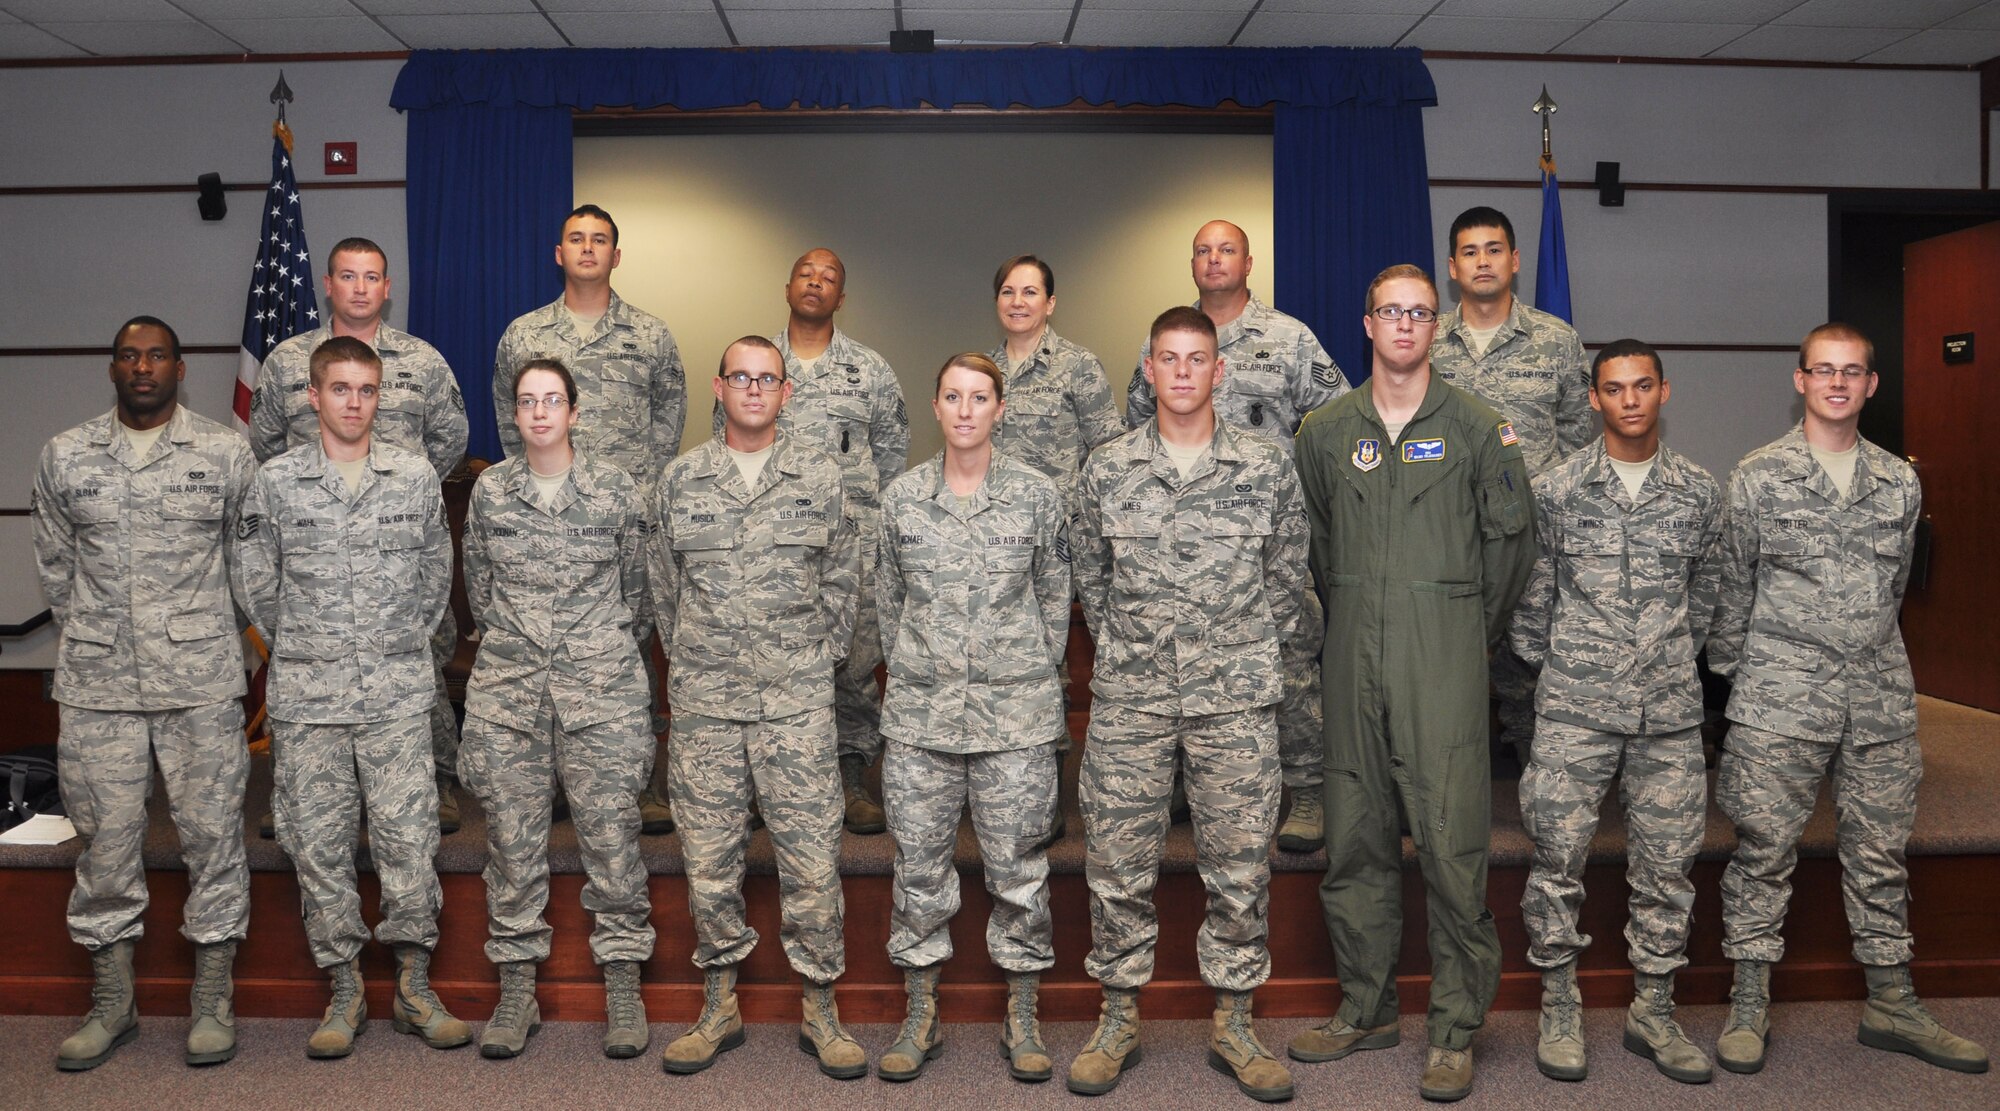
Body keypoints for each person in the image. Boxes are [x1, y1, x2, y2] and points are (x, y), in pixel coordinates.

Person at [1707, 323, 1988, 1076]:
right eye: (1824, 370)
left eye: (1853, 371)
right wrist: (1753, 678)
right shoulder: (1759, 476)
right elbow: (1731, 592)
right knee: (1762, 852)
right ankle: (1748, 999)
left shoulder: (1899, 481)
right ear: (1799, 380)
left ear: (1871, 385)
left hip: (1878, 703)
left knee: (1881, 856)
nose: (1838, 382)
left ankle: (1891, 1002)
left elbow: (1895, 590)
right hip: (1778, 701)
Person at [1291, 265, 1536, 1103]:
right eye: (1390, 311)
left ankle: (1456, 1027)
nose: (1404, 324)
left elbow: (1512, 548)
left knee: (1451, 845)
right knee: (1354, 837)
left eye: (1419, 313)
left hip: (1444, 660)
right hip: (1352, 649)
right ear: (1366, 323)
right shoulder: (1324, 430)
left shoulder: (1478, 428)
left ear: (1437, 326)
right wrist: (1359, 613)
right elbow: (1318, 546)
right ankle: (1366, 1007)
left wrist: (1461, 631)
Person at [1067, 306, 1315, 1102]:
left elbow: (1287, 580)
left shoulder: (1266, 468)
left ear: (1219, 371)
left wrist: (1241, 656)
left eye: (1196, 357)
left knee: (1240, 865)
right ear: (1147, 368)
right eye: (1167, 358)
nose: (1181, 371)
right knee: (1116, 864)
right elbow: (1092, 583)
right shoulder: (1107, 468)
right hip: (1134, 697)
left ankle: (1235, 1020)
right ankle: (1116, 1017)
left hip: (1235, 697)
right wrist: (1136, 649)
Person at [230, 335, 470, 1059]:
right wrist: (315, 643)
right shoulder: (274, 481)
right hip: (310, 696)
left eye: (367, 390)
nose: (355, 403)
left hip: (398, 695)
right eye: (340, 389)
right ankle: (343, 989)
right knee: (319, 847)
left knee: (409, 842)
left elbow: (436, 578)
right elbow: (256, 585)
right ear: (313, 396)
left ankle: (413, 986)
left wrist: (390, 643)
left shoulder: (416, 476)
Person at [33, 317, 258, 1071]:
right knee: (105, 845)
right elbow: (57, 570)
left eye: (156, 355)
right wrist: (99, 636)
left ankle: (213, 997)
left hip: (198, 683)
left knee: (213, 836)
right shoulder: (66, 455)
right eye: (129, 355)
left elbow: (246, 564)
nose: (142, 367)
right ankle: (113, 1001)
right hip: (99, 686)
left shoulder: (225, 452)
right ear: (112, 369)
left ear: (179, 367)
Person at [1508, 340, 1722, 1084]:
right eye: (1613, 388)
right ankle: (1560, 1001)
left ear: (1664, 391)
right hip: (1574, 707)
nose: (1629, 399)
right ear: (1593, 399)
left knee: (1668, 866)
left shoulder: (1700, 491)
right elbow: (1531, 599)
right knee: (1556, 860)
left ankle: (1653, 1008)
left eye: (1642, 386)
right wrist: (1574, 663)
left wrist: (1660, 658)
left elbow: (1710, 594)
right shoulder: (1557, 488)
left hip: (1667, 711)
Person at [654, 337, 868, 1080]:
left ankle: (820, 1004)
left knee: (812, 859)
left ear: (785, 392)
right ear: (719, 387)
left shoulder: (821, 476)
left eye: (766, 379)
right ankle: (719, 1003)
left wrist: (818, 657)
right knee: (709, 863)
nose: (753, 389)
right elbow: (664, 591)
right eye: (740, 377)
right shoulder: (680, 481)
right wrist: (701, 661)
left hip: (796, 702)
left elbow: (846, 580)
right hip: (708, 706)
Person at [873, 353, 1071, 1084]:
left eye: (979, 397)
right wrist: (924, 667)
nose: (964, 409)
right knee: (918, 869)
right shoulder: (901, 499)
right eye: (952, 395)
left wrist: (1023, 670)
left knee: (1019, 871)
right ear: (935, 405)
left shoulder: (1036, 496)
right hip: (922, 719)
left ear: (1000, 408)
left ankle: (1022, 1016)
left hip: (1014, 718)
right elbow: (889, 602)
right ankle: (919, 1012)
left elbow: (1055, 595)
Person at [460, 359, 656, 1061]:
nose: (539, 412)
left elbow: (638, 594)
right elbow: (478, 588)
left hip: (601, 694)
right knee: (510, 848)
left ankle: (624, 984)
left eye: (552, 400)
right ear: (514, 415)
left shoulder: (614, 491)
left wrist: (588, 651)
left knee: (613, 841)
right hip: (509, 696)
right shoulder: (489, 492)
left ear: (575, 411)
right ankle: (517, 990)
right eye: (526, 401)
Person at [250, 236, 470, 834]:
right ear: (328, 284)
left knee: (420, 663)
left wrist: (407, 491)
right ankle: (311, 798)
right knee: (313, 679)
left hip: (398, 544)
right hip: (314, 549)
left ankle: (436, 783)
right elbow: (266, 443)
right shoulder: (289, 362)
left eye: (372, 277)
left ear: (387, 287)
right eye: (348, 276)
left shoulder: (421, 361)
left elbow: (451, 437)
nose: (360, 288)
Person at [494, 204, 685, 835]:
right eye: (575, 237)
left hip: (625, 521)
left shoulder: (650, 335)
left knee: (634, 644)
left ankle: (641, 778)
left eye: (599, 239)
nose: (587, 248)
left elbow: (670, 415)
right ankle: (552, 774)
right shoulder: (524, 334)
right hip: (545, 517)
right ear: (558, 252)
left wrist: (641, 492)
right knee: (541, 646)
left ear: (615, 255)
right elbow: (507, 413)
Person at [712, 248, 908, 834]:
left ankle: (851, 780)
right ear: (788, 285)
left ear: (840, 297)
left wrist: (866, 527)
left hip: (851, 548)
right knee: (763, 660)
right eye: (806, 274)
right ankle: (759, 786)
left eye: (829, 278)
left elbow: (893, 456)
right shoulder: (754, 366)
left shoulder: (870, 371)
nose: (816, 283)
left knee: (852, 667)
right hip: (769, 553)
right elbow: (726, 452)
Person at [1430, 207, 1593, 766]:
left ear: (1516, 260)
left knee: (1533, 667)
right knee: (1447, 666)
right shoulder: (1425, 342)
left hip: (1534, 539)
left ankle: (1540, 780)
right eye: (1470, 252)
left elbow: (1577, 441)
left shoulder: (1557, 340)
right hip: (1447, 536)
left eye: (1494, 249)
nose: (1483, 261)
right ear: (1452, 267)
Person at [983, 253, 1123, 845]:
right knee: (1002, 666)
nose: (1019, 301)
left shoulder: (1077, 367)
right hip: (994, 547)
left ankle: (1050, 793)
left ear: (1051, 303)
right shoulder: (981, 371)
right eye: (1009, 291)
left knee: (1054, 667)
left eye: (1031, 292)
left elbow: (1110, 450)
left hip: (1060, 547)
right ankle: (999, 786)